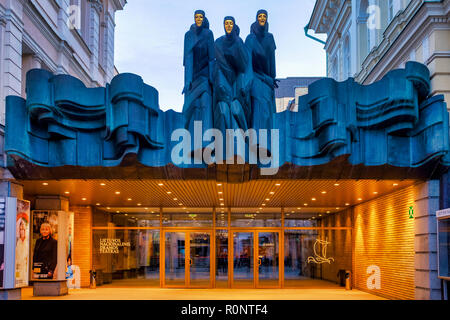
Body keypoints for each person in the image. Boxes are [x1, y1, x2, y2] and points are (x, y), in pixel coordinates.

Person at [182, 10, 215, 155]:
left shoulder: (208, 34)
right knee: (190, 106)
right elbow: (187, 59)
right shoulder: (188, 35)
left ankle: (207, 142)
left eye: (201, 17)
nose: (198, 19)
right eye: (196, 17)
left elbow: (212, 59)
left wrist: (211, 79)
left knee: (206, 103)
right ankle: (189, 143)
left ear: (204, 18)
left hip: (205, 77)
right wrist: (187, 81)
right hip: (193, 78)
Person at [213, 16, 253, 133]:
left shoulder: (239, 42)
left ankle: (245, 133)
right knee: (224, 109)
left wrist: (238, 43)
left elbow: (243, 65)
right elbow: (222, 64)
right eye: (226, 23)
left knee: (236, 108)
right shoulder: (218, 42)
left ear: (234, 26)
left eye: (231, 24)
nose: (228, 26)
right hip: (223, 78)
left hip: (236, 79)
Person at [245, 10, 277, 152]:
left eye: (264, 16)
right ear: (256, 19)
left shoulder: (270, 38)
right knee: (260, 104)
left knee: (268, 105)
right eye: (260, 16)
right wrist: (249, 79)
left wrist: (272, 78)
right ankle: (256, 141)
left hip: (267, 78)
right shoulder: (250, 39)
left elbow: (272, 59)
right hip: (254, 76)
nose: (262, 18)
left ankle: (268, 142)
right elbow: (247, 62)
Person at [15, 217, 28, 284]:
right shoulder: (17, 241)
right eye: (20, 229)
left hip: (24, 262)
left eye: (23, 228)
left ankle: (23, 280)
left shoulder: (27, 240)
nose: (21, 231)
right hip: (18, 261)